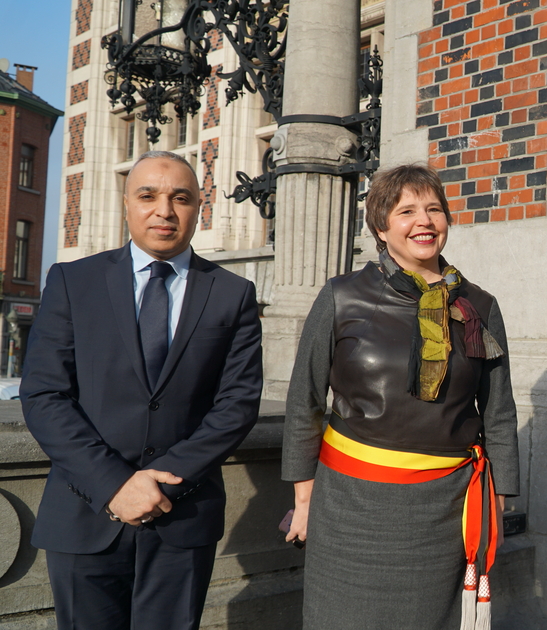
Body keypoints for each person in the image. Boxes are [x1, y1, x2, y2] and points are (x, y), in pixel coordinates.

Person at [21, 151, 264, 630]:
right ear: (127, 204)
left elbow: (235, 406)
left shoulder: (232, 293)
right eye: (148, 196)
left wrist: (158, 482)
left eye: (181, 198)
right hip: (84, 512)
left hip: (182, 518)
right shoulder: (73, 280)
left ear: (199, 206)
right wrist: (115, 484)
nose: (164, 211)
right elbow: (45, 395)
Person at [282, 164, 519, 630]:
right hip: (351, 508)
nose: (424, 221)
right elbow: (302, 401)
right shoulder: (340, 297)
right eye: (407, 210)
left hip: (446, 509)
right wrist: (304, 499)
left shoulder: (479, 305)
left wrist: (501, 499)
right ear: (380, 226)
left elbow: (498, 412)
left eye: (434, 209)